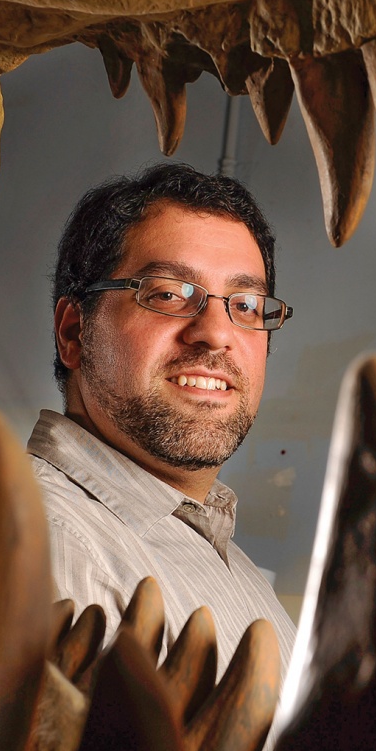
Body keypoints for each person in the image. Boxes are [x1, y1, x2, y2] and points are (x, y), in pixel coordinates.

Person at [28, 162, 297, 676]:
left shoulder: (224, 559)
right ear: (74, 333)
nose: (216, 334)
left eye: (246, 304)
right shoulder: (48, 548)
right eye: (169, 294)